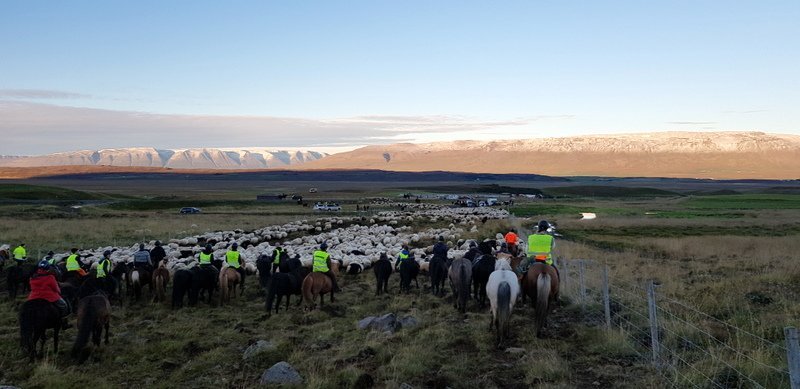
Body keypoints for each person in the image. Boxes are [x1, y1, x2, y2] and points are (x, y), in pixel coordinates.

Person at [29, 260, 71, 330]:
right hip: (49, 297)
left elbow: (31, 287)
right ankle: (64, 323)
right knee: (64, 306)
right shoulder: (50, 277)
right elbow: (56, 289)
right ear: (48, 269)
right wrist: (59, 292)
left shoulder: (32, 277)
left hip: (34, 297)